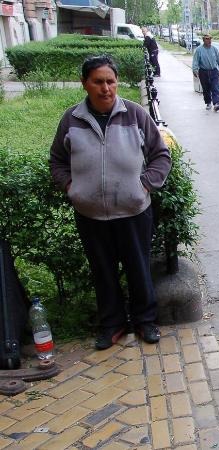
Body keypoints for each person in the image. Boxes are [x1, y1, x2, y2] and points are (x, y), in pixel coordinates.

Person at [49, 55, 172, 350]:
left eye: (110, 81)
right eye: (98, 82)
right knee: (102, 271)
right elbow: (57, 161)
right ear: (85, 84)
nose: (106, 88)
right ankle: (112, 323)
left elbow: (161, 156)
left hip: (133, 210)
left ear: (116, 83)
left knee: (138, 268)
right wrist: (71, 187)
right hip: (90, 214)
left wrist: (143, 186)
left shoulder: (135, 114)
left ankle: (145, 321)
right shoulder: (71, 119)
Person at [192, 33, 219, 111]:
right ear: (203, 40)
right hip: (203, 72)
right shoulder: (199, 50)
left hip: (213, 71)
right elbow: (195, 61)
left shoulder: (214, 49)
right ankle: (208, 102)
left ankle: (216, 103)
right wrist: (195, 70)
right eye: (207, 39)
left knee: (215, 87)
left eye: (210, 39)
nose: (209, 40)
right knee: (206, 89)